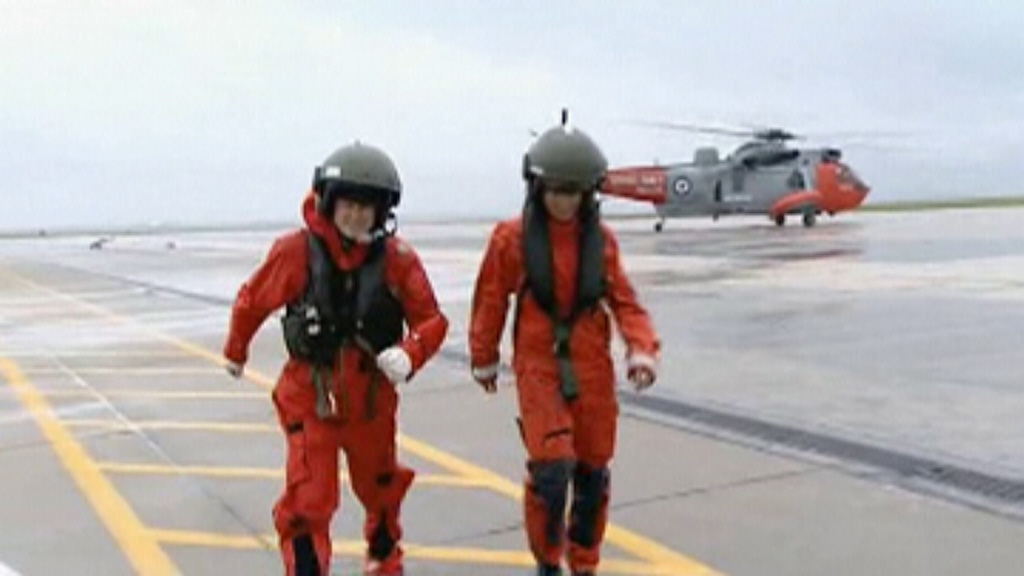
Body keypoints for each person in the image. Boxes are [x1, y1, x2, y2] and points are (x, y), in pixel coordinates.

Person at [222, 142, 448, 576]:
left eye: (367, 207)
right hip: (311, 395)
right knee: (308, 498)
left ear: (382, 212)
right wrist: (236, 349)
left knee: (380, 490)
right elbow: (253, 300)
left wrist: (411, 352)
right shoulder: (295, 252)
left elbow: (431, 320)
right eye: (348, 204)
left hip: (371, 400)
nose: (356, 215)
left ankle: (384, 561)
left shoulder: (398, 260)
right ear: (328, 202)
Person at [468, 116, 660, 576]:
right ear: (538, 189)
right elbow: (490, 300)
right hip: (539, 368)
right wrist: (483, 358)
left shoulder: (601, 243)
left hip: (592, 369)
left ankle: (585, 563)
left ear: (588, 194)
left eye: (573, 192)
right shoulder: (511, 239)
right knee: (551, 472)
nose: (564, 201)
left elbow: (625, 301)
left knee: (593, 474)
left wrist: (641, 349)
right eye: (555, 190)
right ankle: (548, 562)